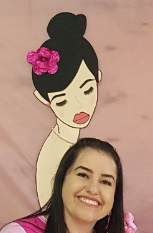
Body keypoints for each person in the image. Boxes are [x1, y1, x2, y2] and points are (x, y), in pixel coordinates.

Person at [27, 13, 101, 205]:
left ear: (98, 79)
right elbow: (50, 214)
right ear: (44, 100)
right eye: (62, 101)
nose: (79, 106)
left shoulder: (77, 144)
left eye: (87, 90)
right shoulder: (54, 154)